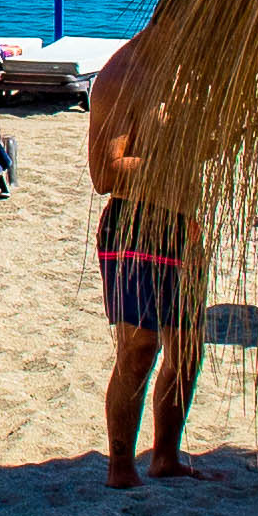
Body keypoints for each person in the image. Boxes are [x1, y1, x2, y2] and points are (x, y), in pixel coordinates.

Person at [88, 32, 201, 488]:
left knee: (187, 351)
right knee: (139, 349)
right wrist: (171, 160)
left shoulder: (190, 74)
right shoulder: (123, 74)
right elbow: (104, 172)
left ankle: (165, 457)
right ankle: (120, 467)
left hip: (184, 227)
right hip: (134, 227)